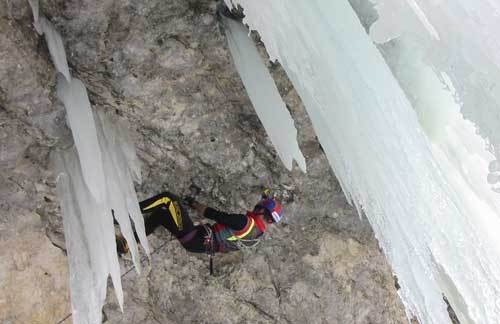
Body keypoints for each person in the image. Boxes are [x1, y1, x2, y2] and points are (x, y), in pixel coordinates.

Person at [116, 191, 283, 257]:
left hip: (197, 237)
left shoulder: (245, 222)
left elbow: (215, 215)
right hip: (197, 243)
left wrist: (194, 203)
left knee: (168, 199)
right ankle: (128, 243)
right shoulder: (256, 236)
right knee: (162, 214)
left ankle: (118, 215)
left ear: (262, 210)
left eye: (259, 206)